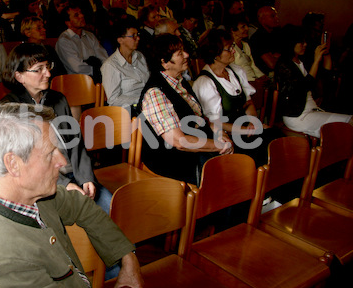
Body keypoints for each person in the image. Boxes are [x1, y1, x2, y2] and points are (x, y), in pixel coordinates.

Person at [0, 102, 224, 288]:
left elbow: (80, 206)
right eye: (51, 154)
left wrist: (127, 259)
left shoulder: (20, 196)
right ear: (13, 163)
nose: (62, 162)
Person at [1, 43, 113, 213]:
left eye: (48, 66)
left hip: (74, 173)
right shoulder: (10, 108)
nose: (48, 73)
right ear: (19, 76)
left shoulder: (58, 99)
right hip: (44, 182)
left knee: (113, 210)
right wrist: (65, 184)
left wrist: (86, 178)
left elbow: (76, 143)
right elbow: (27, 161)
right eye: (39, 69)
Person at [139, 34, 233, 185]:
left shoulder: (180, 83)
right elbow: (178, 141)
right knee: (224, 172)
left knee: (239, 158)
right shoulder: (155, 93)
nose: (187, 55)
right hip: (171, 159)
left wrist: (220, 134)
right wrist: (217, 145)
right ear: (164, 63)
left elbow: (200, 121)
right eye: (180, 53)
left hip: (192, 149)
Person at [193, 29, 279, 166]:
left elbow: (248, 102)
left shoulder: (236, 71)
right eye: (229, 48)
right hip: (228, 135)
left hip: (246, 128)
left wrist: (253, 122)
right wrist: (247, 130)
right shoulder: (205, 82)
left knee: (276, 137)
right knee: (263, 150)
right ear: (215, 54)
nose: (234, 51)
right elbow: (215, 123)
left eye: (233, 46)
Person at [275, 25, 352, 138]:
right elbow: (304, 86)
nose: (305, 44)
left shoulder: (301, 61)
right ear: (291, 43)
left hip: (312, 110)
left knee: (349, 123)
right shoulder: (283, 64)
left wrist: (326, 53)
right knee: (348, 125)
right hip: (298, 116)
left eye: (305, 41)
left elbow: (326, 74)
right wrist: (316, 60)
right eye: (301, 42)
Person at [101, 18, 150, 112]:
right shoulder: (111, 65)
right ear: (120, 40)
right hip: (127, 110)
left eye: (138, 35)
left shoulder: (139, 56)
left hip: (146, 105)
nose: (138, 38)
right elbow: (113, 99)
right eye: (133, 36)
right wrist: (141, 99)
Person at [55, 6, 108, 83]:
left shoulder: (90, 36)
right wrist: (98, 70)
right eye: (76, 15)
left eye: (81, 13)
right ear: (68, 23)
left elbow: (103, 57)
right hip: (76, 82)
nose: (82, 16)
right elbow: (77, 67)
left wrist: (106, 69)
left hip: (98, 77)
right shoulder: (64, 40)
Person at [225, 14, 265, 82]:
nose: (247, 28)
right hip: (242, 82)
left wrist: (262, 76)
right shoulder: (228, 48)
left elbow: (252, 65)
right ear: (233, 30)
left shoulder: (246, 45)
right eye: (243, 27)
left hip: (253, 80)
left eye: (247, 26)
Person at [249, 6, 281, 75]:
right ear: (262, 20)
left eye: (276, 15)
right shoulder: (257, 38)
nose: (277, 18)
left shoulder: (277, 33)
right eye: (272, 16)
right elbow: (272, 64)